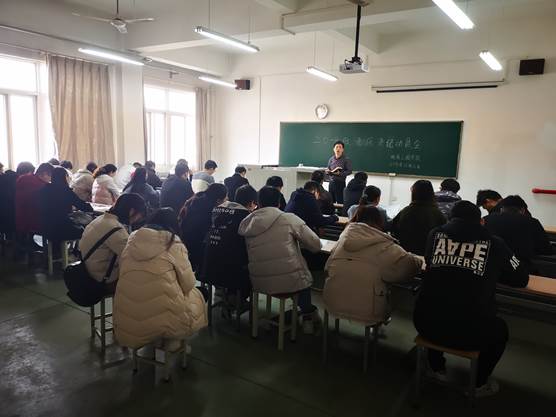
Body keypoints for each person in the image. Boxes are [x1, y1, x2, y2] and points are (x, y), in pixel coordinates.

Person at [413, 201, 529, 397]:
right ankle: (479, 383)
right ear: (481, 221)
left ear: (450, 219)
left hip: (425, 324)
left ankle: (436, 367)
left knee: (437, 303)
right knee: (500, 330)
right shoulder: (496, 243)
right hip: (472, 334)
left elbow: (430, 262)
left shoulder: (435, 235)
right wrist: (493, 272)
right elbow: (521, 278)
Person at [114, 208, 208, 349]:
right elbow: (188, 284)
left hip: (128, 318)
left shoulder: (131, 240)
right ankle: (171, 341)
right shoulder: (173, 242)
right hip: (165, 317)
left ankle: (156, 339)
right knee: (200, 294)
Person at [239, 186, 322, 333]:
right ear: (279, 203)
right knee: (303, 279)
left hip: (259, 281)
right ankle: (308, 317)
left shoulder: (247, 221)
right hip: (288, 282)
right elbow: (316, 245)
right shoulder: (289, 219)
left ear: (259, 203)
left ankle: (303, 314)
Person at [324, 205, 422, 324]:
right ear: (380, 221)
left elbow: (327, 267)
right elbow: (409, 267)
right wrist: (418, 260)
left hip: (333, 302)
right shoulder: (385, 245)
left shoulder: (342, 240)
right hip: (369, 311)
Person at [80, 194, 147, 291]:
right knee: (147, 278)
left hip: (88, 269)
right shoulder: (115, 229)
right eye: (139, 216)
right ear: (132, 211)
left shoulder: (101, 219)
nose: (137, 220)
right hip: (101, 278)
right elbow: (133, 255)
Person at [202, 185, 258, 300]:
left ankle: (225, 295)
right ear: (252, 203)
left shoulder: (217, 210)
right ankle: (236, 300)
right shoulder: (246, 217)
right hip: (230, 273)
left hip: (208, 267)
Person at [484, 195, 553, 272]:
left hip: (489, 267)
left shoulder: (486, 219)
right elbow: (546, 249)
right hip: (521, 269)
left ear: (501, 209)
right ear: (523, 210)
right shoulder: (532, 222)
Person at [179, 183, 227, 271]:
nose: (227, 200)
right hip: (196, 249)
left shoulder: (196, 199)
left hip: (183, 242)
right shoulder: (208, 212)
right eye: (225, 198)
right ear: (218, 200)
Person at [39, 167, 93, 243]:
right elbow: (83, 206)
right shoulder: (66, 191)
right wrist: (90, 207)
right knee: (86, 229)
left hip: (45, 228)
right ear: (65, 177)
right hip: (61, 229)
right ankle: (79, 249)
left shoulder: (44, 189)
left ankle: (60, 249)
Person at [391, 180, 446, 256]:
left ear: (414, 193)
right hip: (428, 255)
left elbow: (394, 232)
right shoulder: (438, 214)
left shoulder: (405, 211)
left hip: (406, 255)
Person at [15, 162, 53, 234]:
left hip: (19, 218)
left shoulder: (22, 178)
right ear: (45, 174)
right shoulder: (43, 186)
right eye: (51, 176)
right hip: (34, 221)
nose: (51, 180)